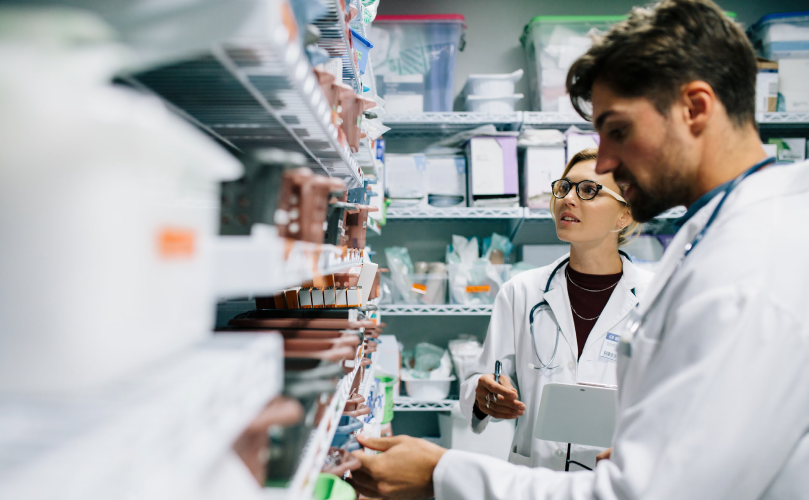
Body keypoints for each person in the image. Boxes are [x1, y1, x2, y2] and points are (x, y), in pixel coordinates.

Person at [347, 0, 809, 498]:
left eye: (617, 130)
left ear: (694, 108)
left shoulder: (754, 263)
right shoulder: (723, 234)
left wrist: (442, 474)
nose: (606, 159)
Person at [460, 147, 653, 471]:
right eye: (564, 187)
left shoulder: (654, 298)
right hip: (537, 477)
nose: (568, 199)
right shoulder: (520, 292)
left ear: (625, 215)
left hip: (615, 478)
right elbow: (477, 383)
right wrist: (484, 396)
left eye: (589, 190)